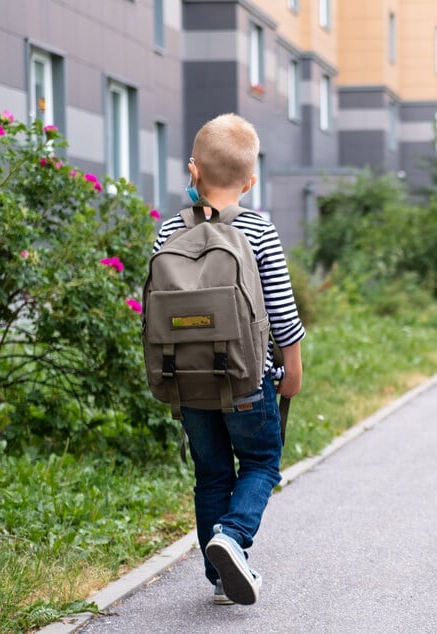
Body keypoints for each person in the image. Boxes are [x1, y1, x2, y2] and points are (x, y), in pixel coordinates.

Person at [152, 113, 305, 606]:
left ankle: (220, 580)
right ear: (250, 180)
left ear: (192, 172)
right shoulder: (260, 229)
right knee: (261, 462)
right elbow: (281, 310)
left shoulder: (167, 232)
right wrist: (293, 369)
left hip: (188, 383)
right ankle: (233, 538)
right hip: (248, 381)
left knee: (212, 474)